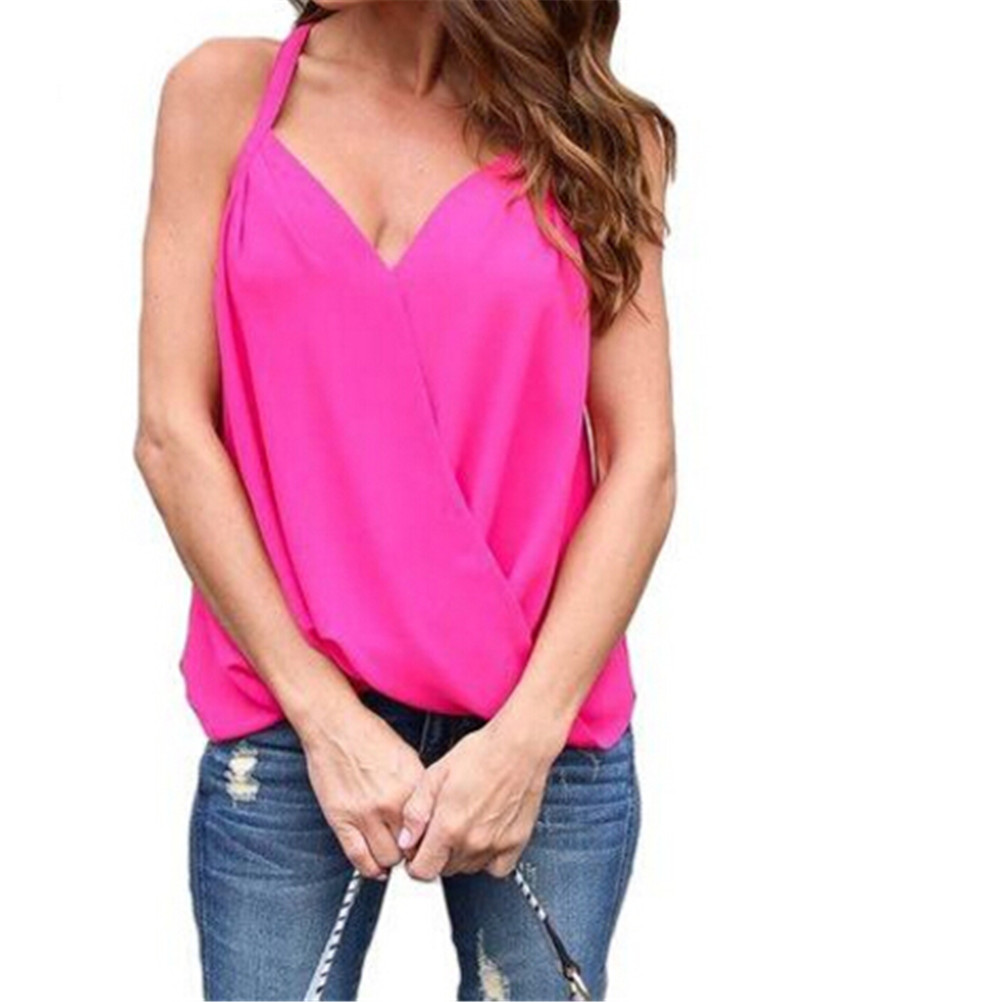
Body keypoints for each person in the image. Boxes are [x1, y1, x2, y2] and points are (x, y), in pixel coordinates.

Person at [134, 2, 676, 999]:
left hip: (542, 720)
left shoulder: (596, 134)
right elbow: (173, 432)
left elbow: (642, 461)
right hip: (291, 710)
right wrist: (322, 717)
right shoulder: (225, 99)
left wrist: (527, 737)